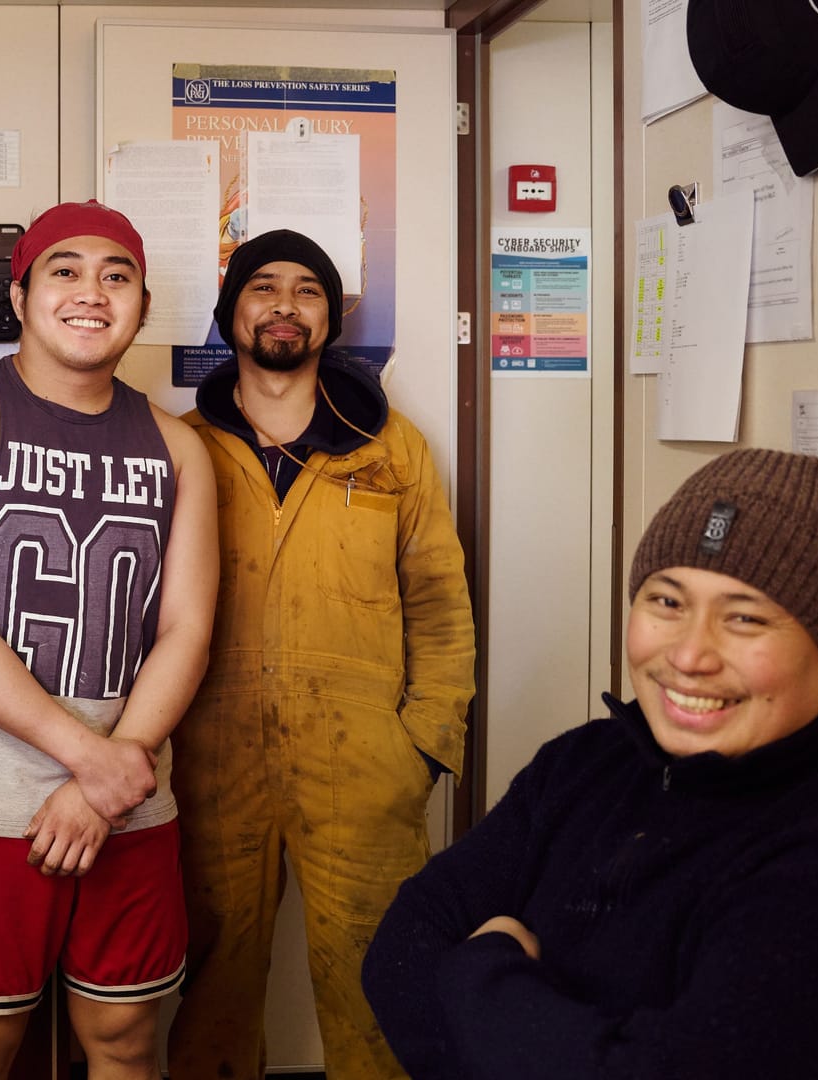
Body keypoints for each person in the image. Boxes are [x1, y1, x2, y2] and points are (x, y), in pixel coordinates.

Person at [362, 449, 818, 1079]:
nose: (689, 655)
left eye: (745, 617)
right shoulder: (586, 765)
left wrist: (483, 968)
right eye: (667, 602)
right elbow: (400, 949)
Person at [0, 201, 218, 1080]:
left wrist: (119, 767)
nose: (91, 292)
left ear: (143, 306)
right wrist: (91, 761)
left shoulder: (179, 447)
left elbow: (186, 627)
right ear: (22, 292)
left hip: (133, 796)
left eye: (118, 276)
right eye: (65, 271)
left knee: (123, 1041)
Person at [166, 230, 475, 1079]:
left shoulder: (390, 448)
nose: (283, 306)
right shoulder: (181, 445)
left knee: (380, 995)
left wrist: (423, 745)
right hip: (208, 766)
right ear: (231, 311)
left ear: (330, 320)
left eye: (307, 291)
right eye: (263, 287)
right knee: (209, 999)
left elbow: (442, 605)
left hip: (365, 770)